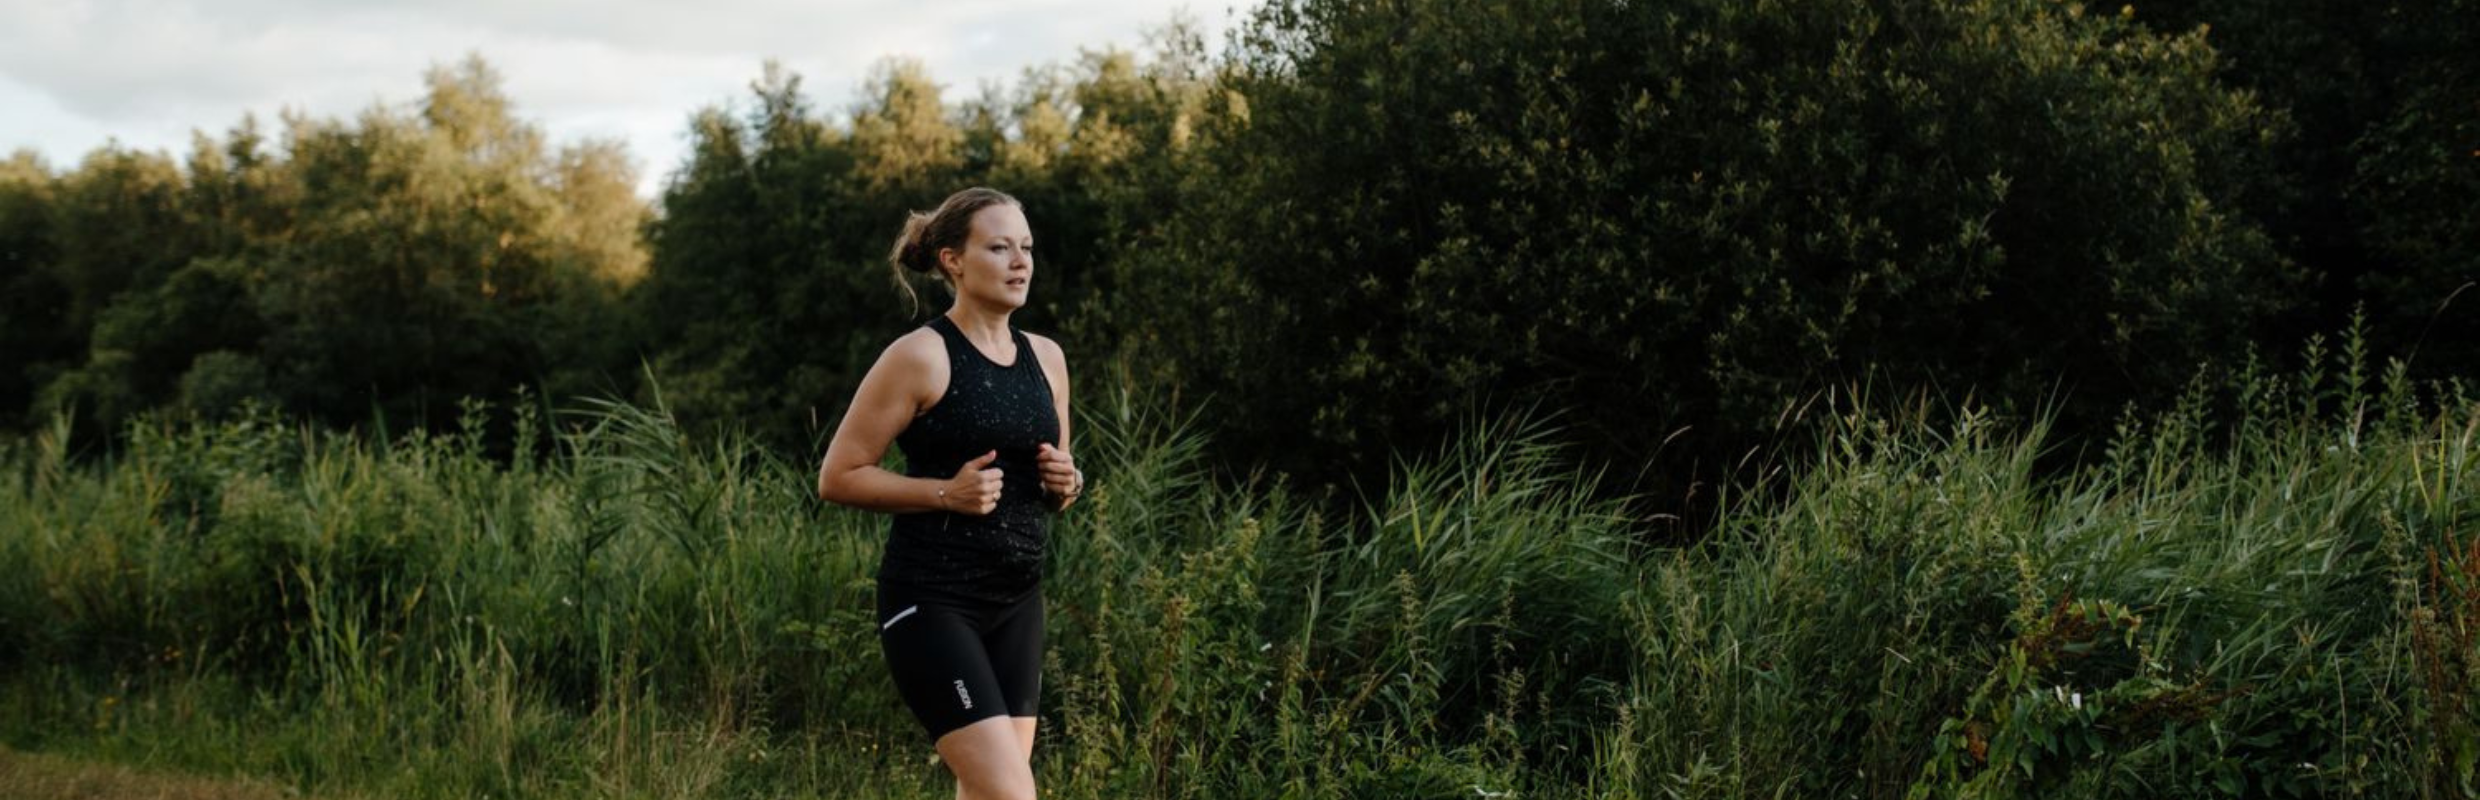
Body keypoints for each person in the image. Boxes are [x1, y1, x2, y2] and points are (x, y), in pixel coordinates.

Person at [817, 186, 1082, 800]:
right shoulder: (920, 357)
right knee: (1013, 796)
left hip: (1017, 602)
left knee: (985, 794)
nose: (1020, 262)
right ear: (952, 261)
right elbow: (839, 475)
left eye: (1026, 248)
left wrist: (1067, 483)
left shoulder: (1047, 358)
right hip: (932, 602)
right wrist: (945, 494)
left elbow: (1056, 489)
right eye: (998, 247)